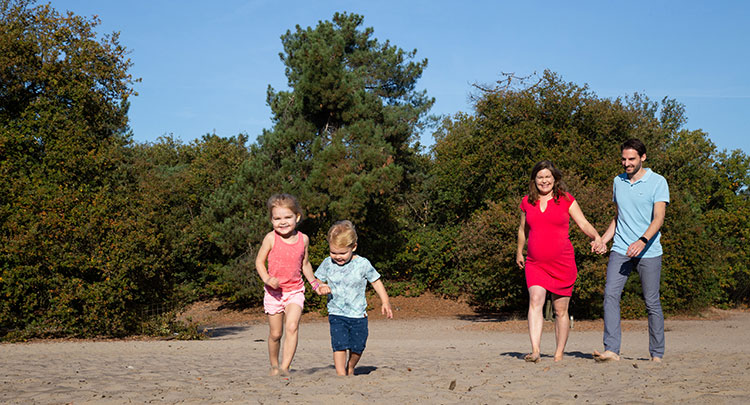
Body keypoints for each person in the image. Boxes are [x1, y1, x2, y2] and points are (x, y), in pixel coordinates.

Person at [516, 161, 606, 363]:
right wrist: (519, 252)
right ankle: (536, 351)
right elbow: (523, 229)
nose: (544, 181)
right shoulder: (527, 202)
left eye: (548, 176)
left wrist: (597, 237)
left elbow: (583, 223)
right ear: (534, 180)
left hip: (562, 263)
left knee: (560, 310)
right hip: (535, 263)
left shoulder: (566, 199)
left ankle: (558, 354)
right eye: (540, 177)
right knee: (535, 300)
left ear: (555, 178)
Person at [593, 139, 669, 363]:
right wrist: (603, 240)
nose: (626, 163)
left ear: (643, 158)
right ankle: (612, 350)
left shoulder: (658, 182)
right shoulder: (618, 181)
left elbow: (659, 218)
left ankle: (656, 354)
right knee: (610, 296)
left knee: (651, 301)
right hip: (621, 249)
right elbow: (618, 217)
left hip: (649, 250)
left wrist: (643, 241)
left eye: (631, 159)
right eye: (624, 159)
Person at [255, 193, 327, 376]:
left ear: (297, 217)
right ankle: (274, 365)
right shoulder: (270, 238)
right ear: (271, 220)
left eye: (287, 217)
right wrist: (267, 279)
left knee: (292, 326)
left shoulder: (303, 239)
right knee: (276, 334)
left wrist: (315, 284)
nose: (283, 222)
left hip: (295, 290)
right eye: (277, 218)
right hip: (274, 293)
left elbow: (305, 264)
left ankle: (285, 367)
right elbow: (259, 262)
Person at [314, 220, 393, 376]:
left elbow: (376, 282)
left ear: (353, 247)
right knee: (339, 345)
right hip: (336, 313)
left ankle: (350, 367)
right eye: (333, 252)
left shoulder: (363, 264)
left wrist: (385, 301)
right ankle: (340, 374)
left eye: (342, 253)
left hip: (358, 314)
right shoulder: (327, 263)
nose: (337, 257)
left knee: (358, 347)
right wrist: (320, 287)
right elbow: (317, 280)